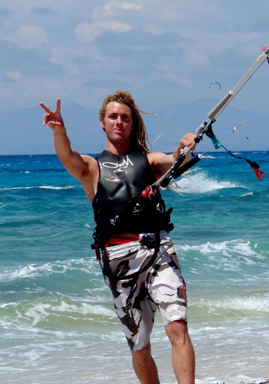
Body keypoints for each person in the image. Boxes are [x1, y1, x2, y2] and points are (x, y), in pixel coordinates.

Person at [40, 91, 196, 384]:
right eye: (113, 116)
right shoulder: (90, 167)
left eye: (125, 117)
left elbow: (175, 161)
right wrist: (59, 131)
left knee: (177, 326)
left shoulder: (148, 161)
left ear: (133, 123)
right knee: (140, 348)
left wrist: (184, 147)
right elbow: (66, 156)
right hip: (118, 260)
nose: (119, 122)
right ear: (102, 122)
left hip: (157, 249)